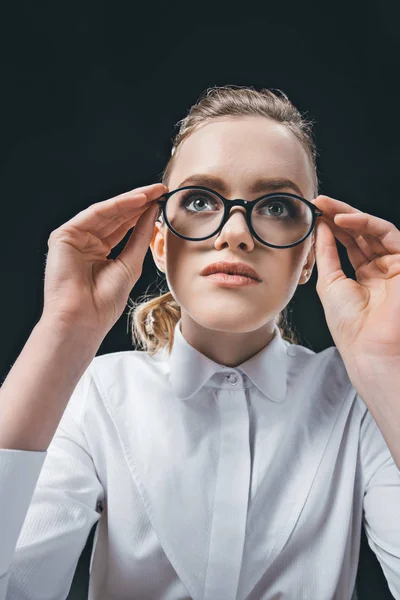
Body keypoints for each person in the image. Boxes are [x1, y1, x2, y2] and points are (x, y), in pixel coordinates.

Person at [0, 85, 398, 600]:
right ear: (158, 243)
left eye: (276, 206)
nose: (235, 233)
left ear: (308, 258)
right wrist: (61, 332)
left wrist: (389, 368)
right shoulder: (92, 393)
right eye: (200, 200)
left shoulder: (361, 401)